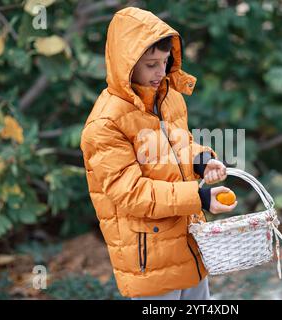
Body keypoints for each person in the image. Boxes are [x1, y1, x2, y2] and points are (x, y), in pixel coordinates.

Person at [80, 6, 237, 300]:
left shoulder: (168, 98)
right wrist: (200, 198)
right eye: (151, 64)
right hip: (148, 258)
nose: (161, 72)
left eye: (165, 62)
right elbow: (132, 193)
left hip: (189, 242)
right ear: (126, 65)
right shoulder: (105, 124)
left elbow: (180, 146)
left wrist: (202, 161)